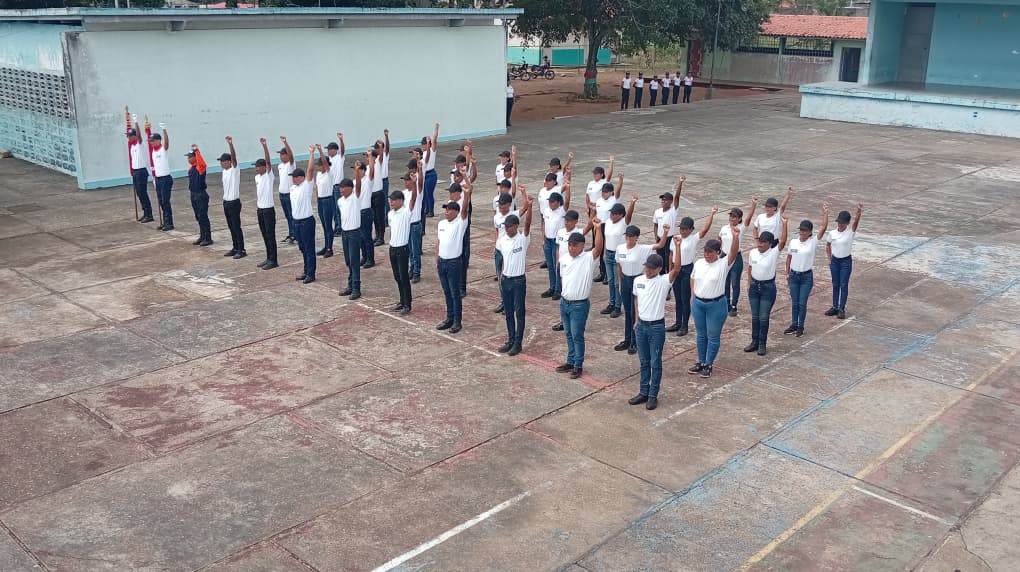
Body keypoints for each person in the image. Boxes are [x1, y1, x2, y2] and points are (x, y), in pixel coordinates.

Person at [629, 243, 684, 409]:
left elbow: (677, 268)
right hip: (642, 327)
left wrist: (677, 247)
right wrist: (637, 319)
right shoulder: (638, 280)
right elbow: (636, 299)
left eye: (652, 268)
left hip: (656, 328)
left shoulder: (663, 281)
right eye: (647, 267)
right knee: (644, 361)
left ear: (659, 269)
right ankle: (643, 391)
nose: (648, 270)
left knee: (655, 362)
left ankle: (653, 394)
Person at [688, 227, 742, 379]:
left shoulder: (723, 264)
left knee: (713, 335)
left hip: (716, 305)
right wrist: (693, 294)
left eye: (710, 252)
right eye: (705, 252)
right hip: (699, 303)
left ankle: (708, 364)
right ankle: (700, 361)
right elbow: (693, 278)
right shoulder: (699, 263)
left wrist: (735, 237)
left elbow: (733, 252)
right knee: (701, 334)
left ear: (718, 252)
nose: (707, 255)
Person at [556, 219, 604, 379]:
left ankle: (578, 364)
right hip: (565, 303)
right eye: (569, 245)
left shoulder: (588, 258)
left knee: (577, 335)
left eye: (574, 245)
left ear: (582, 246)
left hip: (579, 305)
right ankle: (570, 360)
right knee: (569, 334)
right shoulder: (563, 259)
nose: (571, 248)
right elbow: (563, 278)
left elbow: (598, 248)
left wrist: (597, 229)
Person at [615, 225, 670, 354]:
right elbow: (619, 265)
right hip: (625, 280)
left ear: (636, 238)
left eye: (631, 236)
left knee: (635, 312)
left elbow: (660, 245)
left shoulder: (642, 249)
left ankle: (634, 341)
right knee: (628, 312)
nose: (628, 238)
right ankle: (627, 339)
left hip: (637, 278)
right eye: (626, 236)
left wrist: (665, 232)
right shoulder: (620, 248)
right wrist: (620, 282)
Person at [668, 209, 717, 336]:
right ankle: (677, 322)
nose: (682, 231)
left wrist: (711, 214)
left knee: (685, 299)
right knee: (677, 298)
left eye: (685, 229)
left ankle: (684, 325)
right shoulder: (676, 238)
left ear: (691, 229)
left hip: (686, 270)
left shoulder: (693, 238)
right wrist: (670, 270)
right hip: (676, 269)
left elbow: (705, 229)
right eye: (681, 229)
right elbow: (671, 254)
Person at [496, 190, 534, 356]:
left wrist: (530, 208)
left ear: (515, 226)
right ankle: (511, 339)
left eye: (509, 227)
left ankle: (518, 343)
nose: (506, 229)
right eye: (505, 227)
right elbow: (502, 258)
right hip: (506, 280)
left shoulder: (522, 238)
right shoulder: (502, 240)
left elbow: (528, 225)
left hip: (518, 280)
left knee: (520, 312)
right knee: (509, 312)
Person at [744, 218, 789, 356]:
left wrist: (785, 225)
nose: (760, 244)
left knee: (764, 317)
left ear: (769, 244)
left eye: (763, 242)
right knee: (755, 316)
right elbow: (750, 268)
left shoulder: (773, 253)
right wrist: (748, 283)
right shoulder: (753, 253)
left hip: (767, 288)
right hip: (754, 286)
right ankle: (754, 341)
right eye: (759, 241)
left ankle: (762, 343)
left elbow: (782, 241)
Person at [785, 205, 830, 337]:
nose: (802, 233)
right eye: (801, 230)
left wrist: (825, 214)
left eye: (805, 231)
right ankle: (794, 324)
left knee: (802, 302)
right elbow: (789, 257)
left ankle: (800, 326)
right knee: (794, 301)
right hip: (794, 275)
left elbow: (823, 228)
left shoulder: (812, 242)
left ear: (810, 232)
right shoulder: (793, 242)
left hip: (806, 277)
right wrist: (787, 272)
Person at [436, 181, 473, 334]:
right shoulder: (441, 223)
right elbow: (438, 242)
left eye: (450, 210)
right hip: (442, 262)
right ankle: (449, 317)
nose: (447, 212)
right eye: (446, 209)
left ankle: (457, 321)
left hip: (454, 262)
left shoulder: (460, 223)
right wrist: (437, 257)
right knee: (446, 291)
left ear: (456, 213)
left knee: (454, 292)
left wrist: (467, 194)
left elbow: (464, 210)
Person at [552, 210, 593, 332]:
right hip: (563, 265)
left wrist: (592, 212)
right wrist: (557, 262)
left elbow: (590, 225)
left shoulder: (578, 233)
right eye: (565, 220)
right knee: (564, 294)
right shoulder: (560, 232)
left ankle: (568, 321)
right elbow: (558, 248)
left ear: (575, 222)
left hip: (574, 266)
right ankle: (563, 320)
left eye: (569, 221)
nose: (566, 223)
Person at [338, 162, 372, 300]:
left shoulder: (355, 198)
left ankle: (356, 288)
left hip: (354, 233)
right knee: (348, 260)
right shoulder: (340, 201)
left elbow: (358, 186)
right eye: (340, 188)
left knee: (354, 261)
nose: (341, 190)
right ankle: (350, 284)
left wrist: (357, 172)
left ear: (350, 189)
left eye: (344, 188)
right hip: (345, 233)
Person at [825, 204, 863, 320]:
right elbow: (828, 245)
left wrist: (858, 213)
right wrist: (830, 259)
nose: (840, 225)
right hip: (835, 261)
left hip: (846, 261)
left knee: (843, 284)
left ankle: (842, 308)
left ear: (847, 223)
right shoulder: (832, 233)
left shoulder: (850, 232)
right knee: (835, 284)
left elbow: (856, 223)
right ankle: (835, 306)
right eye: (839, 222)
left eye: (843, 223)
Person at [720, 198, 758, 317]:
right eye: (731, 216)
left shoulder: (741, 228)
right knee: (725, 282)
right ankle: (726, 304)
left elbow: (749, 219)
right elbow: (719, 239)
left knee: (735, 283)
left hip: (736, 258)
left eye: (735, 217)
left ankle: (734, 305)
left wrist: (753, 205)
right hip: (724, 256)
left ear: (739, 218)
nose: (732, 219)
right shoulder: (724, 228)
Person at [601, 196, 637, 318]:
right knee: (610, 281)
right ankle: (611, 303)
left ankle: (617, 306)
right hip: (609, 254)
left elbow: (629, 215)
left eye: (616, 214)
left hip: (618, 256)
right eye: (612, 213)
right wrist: (605, 252)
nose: (613, 216)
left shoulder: (623, 223)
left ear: (621, 215)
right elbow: (607, 238)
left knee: (617, 283)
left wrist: (632, 202)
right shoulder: (607, 223)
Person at [387, 180, 417, 316]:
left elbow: (414, 199)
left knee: (404, 277)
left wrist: (415, 185)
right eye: (390, 201)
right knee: (397, 276)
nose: (391, 203)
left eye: (393, 201)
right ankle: (401, 300)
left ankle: (407, 303)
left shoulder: (406, 212)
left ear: (401, 201)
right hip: (392, 248)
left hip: (402, 249)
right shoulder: (390, 214)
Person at [492, 191, 522, 314]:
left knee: (509, 278)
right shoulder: (496, 217)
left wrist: (524, 193)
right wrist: (495, 245)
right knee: (500, 277)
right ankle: (504, 301)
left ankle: (511, 303)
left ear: (509, 205)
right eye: (499, 205)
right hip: (499, 250)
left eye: (503, 205)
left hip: (509, 252)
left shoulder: (514, 215)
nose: (500, 207)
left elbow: (526, 208)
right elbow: (497, 232)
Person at [292, 149, 318, 284]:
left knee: (309, 248)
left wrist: (311, 154)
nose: (293, 178)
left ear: (301, 177)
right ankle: (306, 269)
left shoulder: (306, 186)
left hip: (306, 222)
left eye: (295, 177)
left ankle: (311, 273)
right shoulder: (293, 188)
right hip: (296, 222)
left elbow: (310, 170)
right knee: (302, 247)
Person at [541, 187, 570, 300]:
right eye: (549, 201)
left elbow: (567, 201)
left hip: (557, 242)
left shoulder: (562, 211)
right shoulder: (546, 210)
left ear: (558, 202)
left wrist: (568, 189)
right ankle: (552, 287)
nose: (550, 204)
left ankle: (558, 289)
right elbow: (544, 224)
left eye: (553, 202)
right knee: (550, 266)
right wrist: (543, 238)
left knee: (557, 265)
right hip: (548, 240)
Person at [253, 138, 278, 270]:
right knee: (264, 234)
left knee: (270, 234)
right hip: (260, 209)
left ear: (264, 167)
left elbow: (268, 161)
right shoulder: (257, 177)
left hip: (268, 210)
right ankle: (268, 257)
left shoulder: (269, 176)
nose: (256, 169)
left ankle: (273, 260)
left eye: (258, 167)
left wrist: (265, 146)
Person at [219, 136, 245, 259]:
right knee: (230, 226)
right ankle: (235, 247)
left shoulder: (234, 169)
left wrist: (230, 144)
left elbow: (234, 158)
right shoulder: (224, 171)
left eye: (223, 161)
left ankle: (241, 249)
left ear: (228, 161)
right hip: (226, 202)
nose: (221, 163)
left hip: (234, 202)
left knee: (236, 226)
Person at [652, 176, 684, 274]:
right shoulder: (657, 212)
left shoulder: (673, 211)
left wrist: (680, 182)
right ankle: (661, 275)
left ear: (670, 202)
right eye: (662, 200)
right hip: (660, 238)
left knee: (668, 260)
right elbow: (655, 225)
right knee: (659, 260)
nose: (663, 201)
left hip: (669, 239)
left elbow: (677, 197)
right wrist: (656, 237)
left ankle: (668, 276)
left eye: (665, 200)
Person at [125, 116, 153, 223]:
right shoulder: (132, 146)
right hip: (136, 171)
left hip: (142, 171)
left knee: (143, 192)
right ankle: (145, 212)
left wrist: (136, 122)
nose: (128, 137)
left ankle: (149, 214)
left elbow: (139, 135)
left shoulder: (140, 144)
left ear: (134, 136)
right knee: (139, 193)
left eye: (129, 136)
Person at [148, 122, 173, 231]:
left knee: (166, 201)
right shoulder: (153, 151)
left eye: (153, 141)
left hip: (165, 179)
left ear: (158, 140)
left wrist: (164, 130)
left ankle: (169, 223)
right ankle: (165, 221)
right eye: (150, 141)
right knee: (161, 201)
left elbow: (167, 143)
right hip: (158, 179)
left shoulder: (163, 149)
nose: (151, 143)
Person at [185, 144, 211, 247]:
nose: (188, 159)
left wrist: (197, 151)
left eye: (190, 157)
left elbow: (202, 162)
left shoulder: (200, 167)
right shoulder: (191, 168)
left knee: (203, 216)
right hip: (193, 194)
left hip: (201, 194)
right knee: (198, 216)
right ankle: (202, 235)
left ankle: (208, 238)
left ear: (195, 157)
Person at [312, 145, 335, 258]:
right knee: (324, 225)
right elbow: (316, 187)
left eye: (320, 165)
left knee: (328, 225)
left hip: (328, 200)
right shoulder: (319, 174)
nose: (318, 167)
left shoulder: (329, 173)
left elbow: (325, 163)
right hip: (321, 200)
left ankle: (330, 248)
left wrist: (320, 151)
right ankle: (326, 246)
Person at [405, 158, 425, 284]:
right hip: (408, 224)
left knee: (415, 250)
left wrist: (420, 169)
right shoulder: (405, 193)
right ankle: (412, 269)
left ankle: (417, 271)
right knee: (410, 250)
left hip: (415, 224)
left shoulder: (417, 190)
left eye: (407, 181)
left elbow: (421, 182)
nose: (406, 183)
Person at [371, 129, 391, 247]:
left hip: (383, 182)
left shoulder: (381, 158)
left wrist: (386, 137)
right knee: (376, 214)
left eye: (377, 148)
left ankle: (385, 222)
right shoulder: (372, 163)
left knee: (383, 206)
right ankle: (377, 234)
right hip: (375, 187)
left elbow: (386, 149)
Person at [358, 149, 377, 268]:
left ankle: (370, 258)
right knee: (360, 237)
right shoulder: (356, 182)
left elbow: (372, 171)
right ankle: (364, 256)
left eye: (359, 170)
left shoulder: (367, 181)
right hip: (358, 212)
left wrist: (370, 157)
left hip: (366, 211)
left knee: (367, 236)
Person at [277, 137, 296, 244]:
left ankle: (295, 234)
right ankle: (291, 233)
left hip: (289, 194)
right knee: (287, 216)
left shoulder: (291, 165)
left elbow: (291, 156)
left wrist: (285, 143)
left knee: (292, 215)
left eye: (283, 154)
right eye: (280, 154)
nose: (281, 156)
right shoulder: (280, 166)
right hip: (282, 194)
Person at [327, 134, 346, 235]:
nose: (328, 151)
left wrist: (341, 140)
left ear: (335, 150)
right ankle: (337, 226)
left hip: (338, 186)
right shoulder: (328, 160)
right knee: (334, 208)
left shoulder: (339, 158)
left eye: (330, 149)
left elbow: (343, 150)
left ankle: (340, 227)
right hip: (331, 186)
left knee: (339, 208)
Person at [421, 123, 440, 217]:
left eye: (423, 144)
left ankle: (431, 210)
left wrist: (436, 129)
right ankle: (426, 209)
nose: (422, 146)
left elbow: (435, 139)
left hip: (431, 174)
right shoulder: (423, 153)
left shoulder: (432, 150)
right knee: (424, 193)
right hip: (424, 174)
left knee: (429, 193)